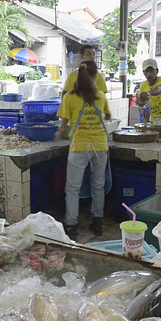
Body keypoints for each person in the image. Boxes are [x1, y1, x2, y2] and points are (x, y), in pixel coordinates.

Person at [55, 60, 111, 238]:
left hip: (79, 147)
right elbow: (108, 116)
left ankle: (71, 225)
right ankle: (97, 223)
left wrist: (57, 136)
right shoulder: (101, 96)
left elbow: (63, 127)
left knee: (73, 188)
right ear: (94, 77)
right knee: (98, 186)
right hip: (100, 146)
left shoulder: (69, 97)